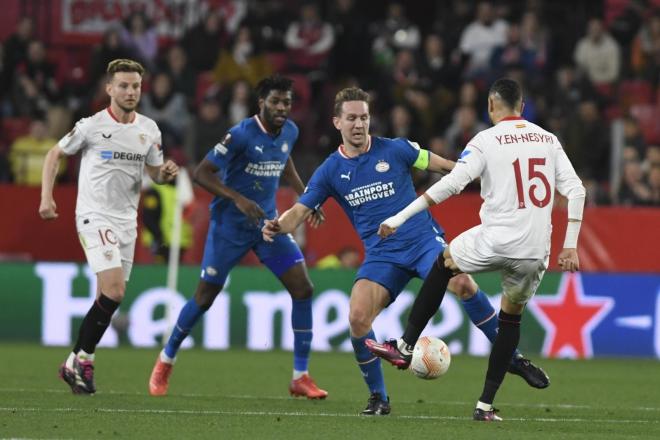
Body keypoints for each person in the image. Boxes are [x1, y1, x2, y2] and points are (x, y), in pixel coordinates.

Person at [262, 86, 549, 416]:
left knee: (463, 284)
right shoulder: (329, 171)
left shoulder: (396, 149)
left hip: (423, 243)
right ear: (336, 122)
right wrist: (278, 225)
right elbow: (299, 211)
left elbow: (445, 165)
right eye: (352, 118)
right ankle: (379, 398)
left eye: (364, 117)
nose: (359, 124)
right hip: (382, 256)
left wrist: (484, 172)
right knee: (357, 318)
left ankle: (512, 359)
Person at [367, 78, 586, 421]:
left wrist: (399, 217)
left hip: (497, 239)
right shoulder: (548, 140)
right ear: (522, 106)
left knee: (444, 262)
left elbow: (452, 184)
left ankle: (406, 346)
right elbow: (577, 191)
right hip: (535, 250)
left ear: (490, 106)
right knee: (510, 318)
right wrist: (570, 247)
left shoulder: (485, 140)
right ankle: (485, 406)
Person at [149, 75, 328, 399]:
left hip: (266, 227)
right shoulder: (241, 134)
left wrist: (307, 198)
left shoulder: (290, 131)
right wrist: (238, 199)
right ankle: (166, 359)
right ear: (261, 102)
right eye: (275, 101)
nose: (281, 108)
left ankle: (300, 376)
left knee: (303, 288)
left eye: (286, 102)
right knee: (204, 297)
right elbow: (202, 172)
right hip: (229, 227)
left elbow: (284, 162)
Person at [39, 59, 179, 394]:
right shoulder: (91, 126)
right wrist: (47, 197)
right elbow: (53, 155)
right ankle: (82, 360)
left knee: (109, 296)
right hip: (93, 214)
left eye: (135, 86)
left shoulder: (149, 130)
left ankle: (76, 362)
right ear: (109, 89)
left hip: (126, 222)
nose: (130, 92)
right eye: (124, 86)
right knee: (115, 291)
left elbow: (155, 174)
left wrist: (165, 174)